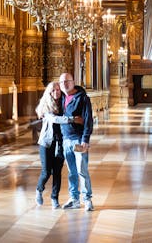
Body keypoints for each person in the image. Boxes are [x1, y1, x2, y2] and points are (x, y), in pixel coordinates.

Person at [58, 72, 95, 211]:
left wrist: (85, 139)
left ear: (73, 82)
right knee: (71, 171)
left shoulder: (82, 98)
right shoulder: (61, 98)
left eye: (67, 81)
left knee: (82, 170)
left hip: (78, 139)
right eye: (62, 82)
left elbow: (88, 120)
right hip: (66, 140)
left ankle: (87, 199)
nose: (64, 84)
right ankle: (74, 199)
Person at [35, 81, 67, 208]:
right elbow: (54, 119)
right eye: (53, 90)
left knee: (57, 172)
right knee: (46, 171)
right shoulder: (46, 105)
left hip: (60, 142)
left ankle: (55, 198)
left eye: (58, 89)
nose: (56, 92)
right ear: (49, 92)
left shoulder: (64, 103)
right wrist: (71, 119)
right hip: (46, 142)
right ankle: (39, 190)